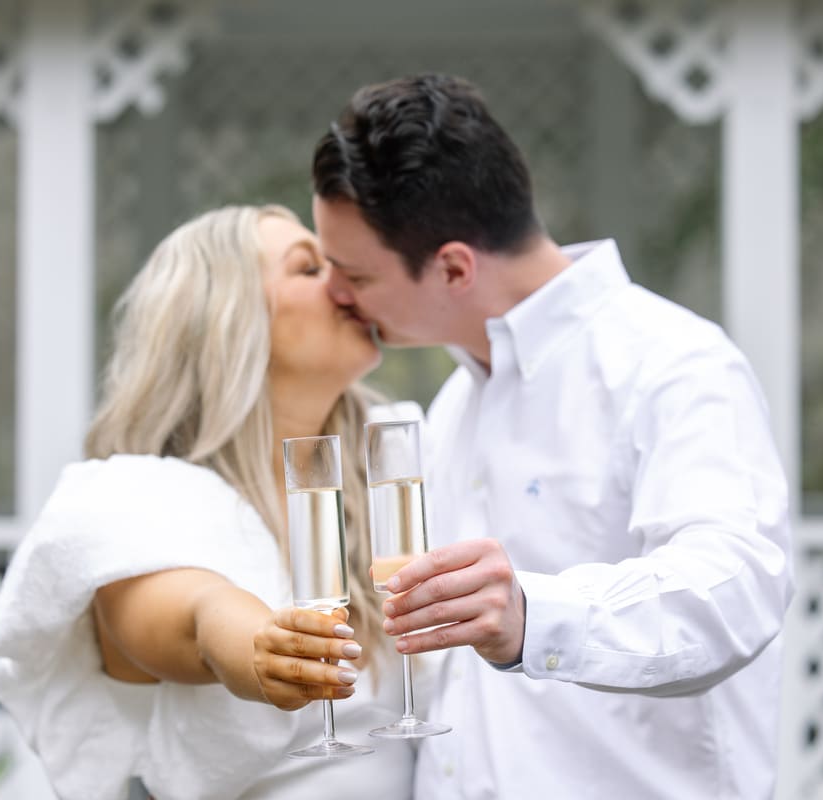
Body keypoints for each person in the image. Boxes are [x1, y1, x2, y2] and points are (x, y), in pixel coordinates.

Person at [311, 74, 795, 799]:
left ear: (452, 267)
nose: (335, 294)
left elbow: (735, 589)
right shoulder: (451, 410)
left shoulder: (674, 365)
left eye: (353, 274)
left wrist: (533, 614)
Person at [0, 205, 417, 800]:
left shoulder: (389, 484)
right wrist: (260, 646)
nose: (344, 279)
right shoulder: (131, 500)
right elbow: (196, 615)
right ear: (230, 322)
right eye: (309, 267)